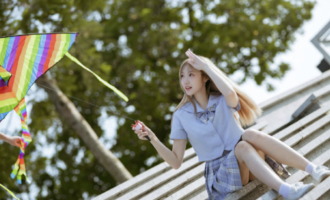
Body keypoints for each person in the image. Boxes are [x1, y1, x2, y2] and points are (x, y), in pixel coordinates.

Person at [132, 49, 330, 200]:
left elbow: (231, 95)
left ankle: (313, 169)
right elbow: (176, 162)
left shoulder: (221, 99)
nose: (185, 81)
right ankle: (287, 190)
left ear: (204, 76)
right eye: (182, 76)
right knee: (243, 145)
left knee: (249, 136)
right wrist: (154, 139)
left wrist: (206, 65)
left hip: (248, 163)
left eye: (191, 74)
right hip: (220, 176)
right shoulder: (180, 115)